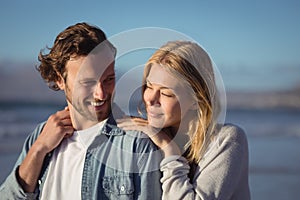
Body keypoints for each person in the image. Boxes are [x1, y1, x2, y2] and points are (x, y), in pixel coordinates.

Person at [0, 22, 162, 199]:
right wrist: (39, 150)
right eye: (88, 82)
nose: (101, 94)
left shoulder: (137, 144)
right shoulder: (39, 137)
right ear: (60, 80)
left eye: (109, 79)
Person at [117, 40, 251, 199]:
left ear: (196, 100)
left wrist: (170, 151)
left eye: (166, 93)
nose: (151, 98)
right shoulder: (147, 138)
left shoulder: (227, 140)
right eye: (149, 86)